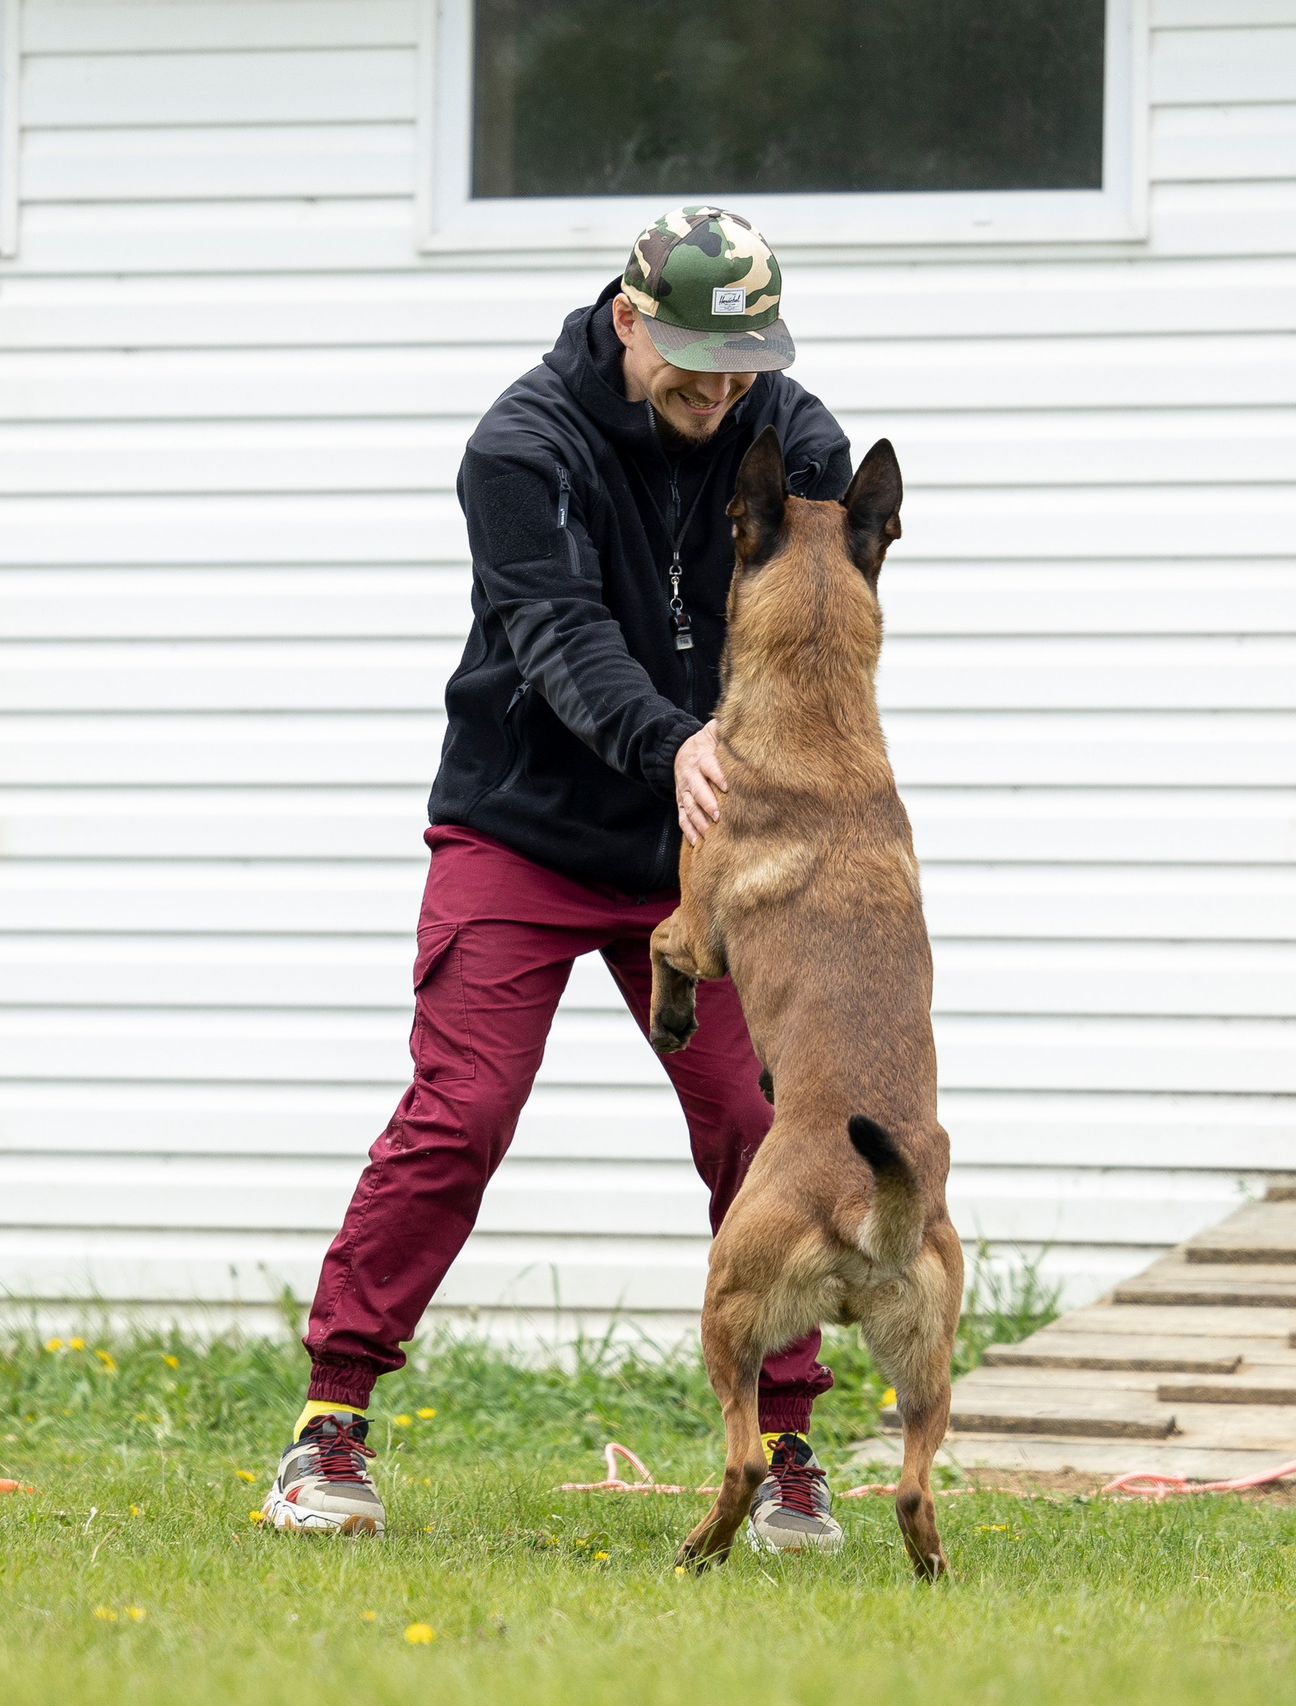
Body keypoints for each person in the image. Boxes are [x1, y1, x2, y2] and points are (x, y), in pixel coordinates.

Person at [260, 207, 856, 1550]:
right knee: (461, 1109)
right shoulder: (522, 446)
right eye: (695, 368)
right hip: (522, 830)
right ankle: (330, 1419)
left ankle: (785, 1441)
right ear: (630, 319)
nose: (718, 399)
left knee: (761, 1127)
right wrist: (673, 740)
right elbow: (558, 631)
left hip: (701, 853)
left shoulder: (793, 436)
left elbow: (825, 609)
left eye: (741, 372)